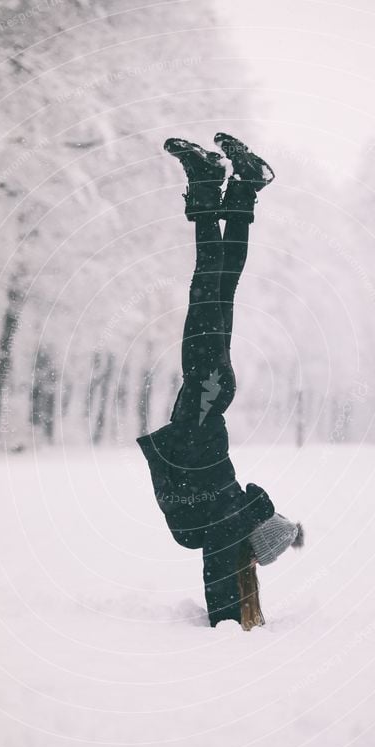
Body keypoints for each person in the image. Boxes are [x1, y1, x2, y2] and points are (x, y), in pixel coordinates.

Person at [137, 133, 304, 630]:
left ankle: (216, 185)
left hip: (209, 388)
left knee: (210, 282)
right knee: (212, 284)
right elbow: (220, 578)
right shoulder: (226, 522)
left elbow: (224, 556)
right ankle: (236, 186)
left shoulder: (228, 513)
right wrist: (229, 617)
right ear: (249, 537)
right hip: (208, 386)